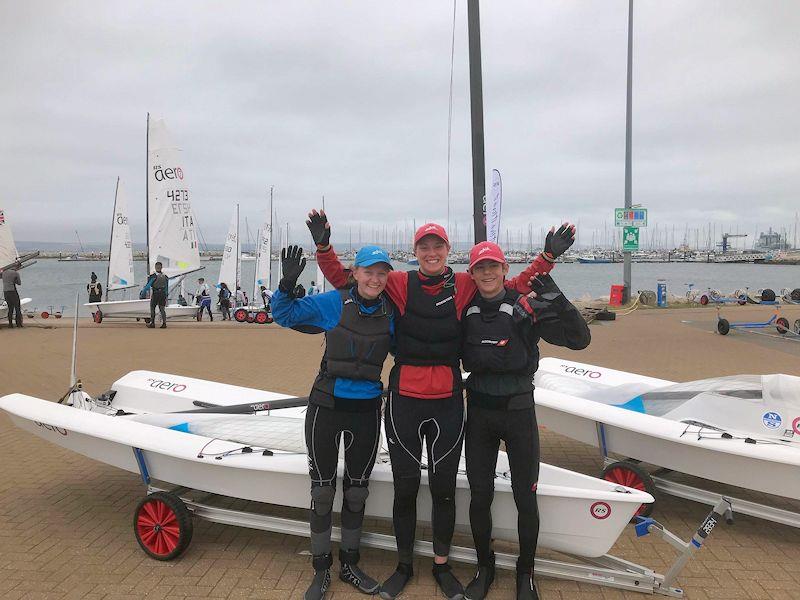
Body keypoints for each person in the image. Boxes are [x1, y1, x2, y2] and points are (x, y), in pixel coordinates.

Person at [310, 210, 575, 600]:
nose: (431, 252)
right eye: (424, 246)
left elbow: (509, 284)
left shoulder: (465, 284)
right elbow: (352, 282)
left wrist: (547, 258)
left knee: (444, 491)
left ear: (448, 250)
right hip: (404, 400)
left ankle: (441, 565)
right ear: (415, 251)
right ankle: (403, 566)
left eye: (438, 246)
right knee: (405, 489)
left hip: (449, 400)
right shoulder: (399, 283)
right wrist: (323, 248)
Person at [461, 242, 589, 600]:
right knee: (479, 496)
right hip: (481, 416)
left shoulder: (525, 307)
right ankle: (484, 567)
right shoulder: (464, 311)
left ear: (504, 270)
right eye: (479, 268)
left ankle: (525, 573)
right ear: (471, 274)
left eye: (493, 267)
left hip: (519, 414)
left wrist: (560, 301)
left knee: (525, 498)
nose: (486, 273)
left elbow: (580, 340)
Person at [271, 244, 396, 600]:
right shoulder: (333, 303)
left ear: (387, 277)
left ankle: (350, 565)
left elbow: (412, 350)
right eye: (368, 271)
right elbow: (284, 315)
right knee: (323, 492)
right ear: (354, 273)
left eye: (381, 273)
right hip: (325, 409)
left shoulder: (391, 312)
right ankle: (322, 568)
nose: (374, 278)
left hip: (367, 412)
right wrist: (286, 284)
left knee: (357, 492)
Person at [142, 262, 168, 328]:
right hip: (162, 294)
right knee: (162, 309)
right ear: (161, 267)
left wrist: (143, 293)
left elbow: (148, 286)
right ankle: (164, 324)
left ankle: (152, 323)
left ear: (155, 267)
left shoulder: (153, 276)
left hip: (156, 293)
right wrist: (166, 295)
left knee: (152, 307)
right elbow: (166, 287)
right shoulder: (165, 276)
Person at [2, 262, 23, 328]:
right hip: (12, 291)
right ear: (18, 267)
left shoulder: (4, 272)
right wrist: (14, 280)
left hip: (6, 292)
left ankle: (10, 324)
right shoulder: (15, 273)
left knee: (10, 308)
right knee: (17, 308)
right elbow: (19, 283)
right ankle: (18, 324)